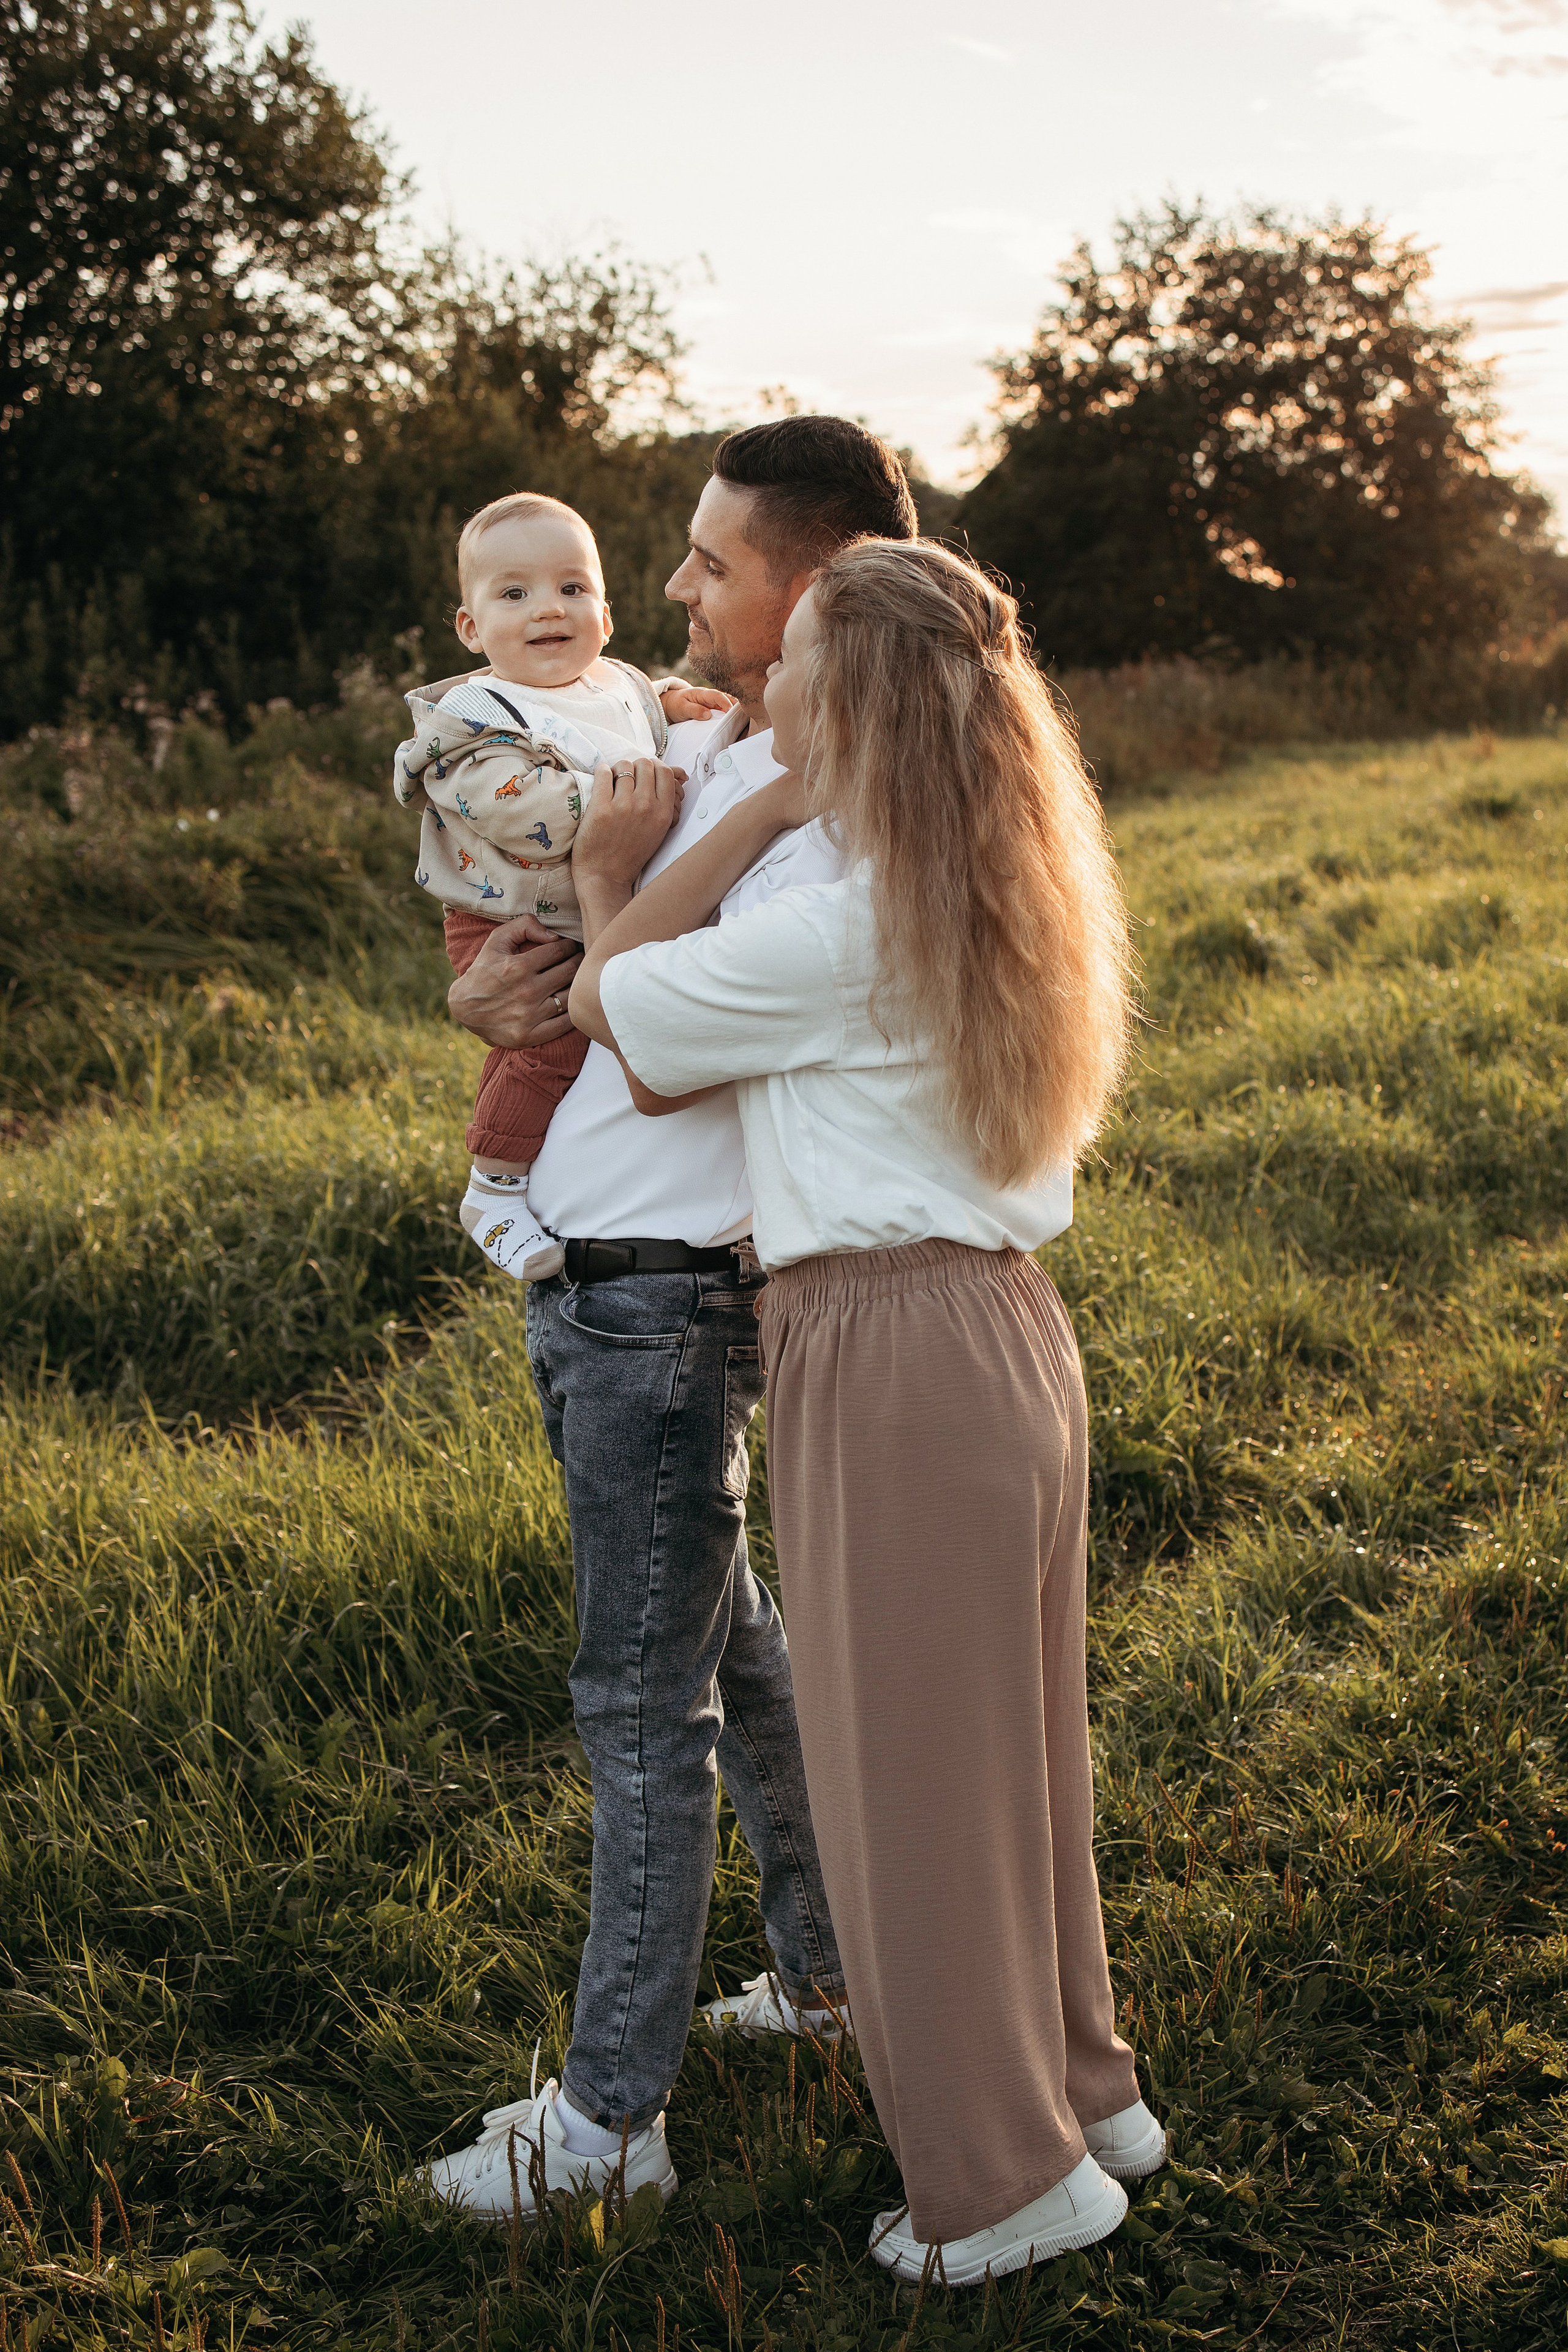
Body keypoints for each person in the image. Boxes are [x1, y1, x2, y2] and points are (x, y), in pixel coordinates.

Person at [570, 538, 1167, 2285]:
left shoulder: (843, 922)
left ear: (859, 707)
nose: (777, 691)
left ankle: (1006, 2185)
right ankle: (1084, 2091)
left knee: (905, 1787)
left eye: (805, 667)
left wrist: (674, 848)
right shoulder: (987, 875)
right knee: (1006, 1768)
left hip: (891, 1346)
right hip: (994, 1333)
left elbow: (623, 1014)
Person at [421, 419, 919, 2222]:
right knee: (737, 1650)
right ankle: (822, 1970)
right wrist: (493, 1001)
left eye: (707, 561)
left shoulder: (819, 792)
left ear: (817, 582)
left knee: (642, 1709)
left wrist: (610, 917)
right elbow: (555, 948)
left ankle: (611, 2124)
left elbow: (665, 1014)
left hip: (657, 1304)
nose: (676, 588)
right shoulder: (719, 748)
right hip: (613, 1275)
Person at [392, 491, 728, 1281]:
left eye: (572, 588)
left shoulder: (612, 684)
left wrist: (675, 703)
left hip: (584, 909)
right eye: (514, 594)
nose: (549, 610)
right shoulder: (475, 718)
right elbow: (522, 813)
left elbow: (642, 703)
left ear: (606, 616)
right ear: (472, 629)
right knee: (551, 1043)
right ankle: (495, 1184)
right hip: (509, 916)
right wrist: (636, 803)